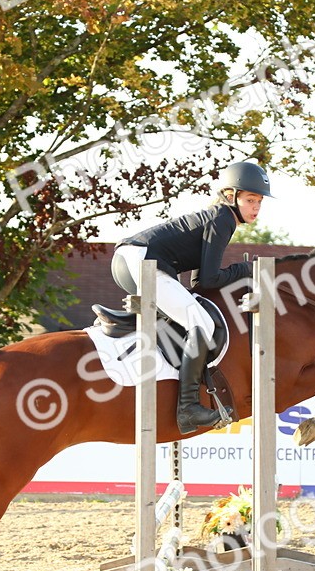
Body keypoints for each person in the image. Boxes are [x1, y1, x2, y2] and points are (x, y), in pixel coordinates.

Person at [111, 161, 272, 434]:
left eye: (259, 201)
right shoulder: (222, 219)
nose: (256, 207)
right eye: (250, 200)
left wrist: (238, 274)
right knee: (202, 323)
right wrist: (245, 269)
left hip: (130, 260)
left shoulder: (218, 217)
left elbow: (199, 282)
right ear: (230, 196)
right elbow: (210, 280)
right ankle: (187, 407)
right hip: (142, 261)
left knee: (189, 315)